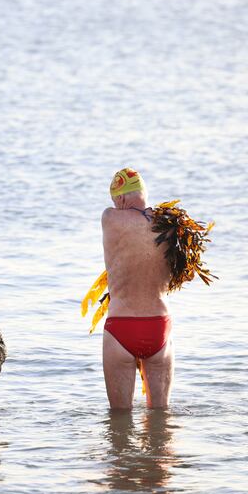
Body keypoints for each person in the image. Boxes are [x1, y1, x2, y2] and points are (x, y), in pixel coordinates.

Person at [100, 168, 174, 409]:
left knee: (119, 424)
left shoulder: (110, 218)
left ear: (120, 199)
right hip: (159, 326)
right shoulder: (169, 223)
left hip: (122, 325)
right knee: (161, 423)